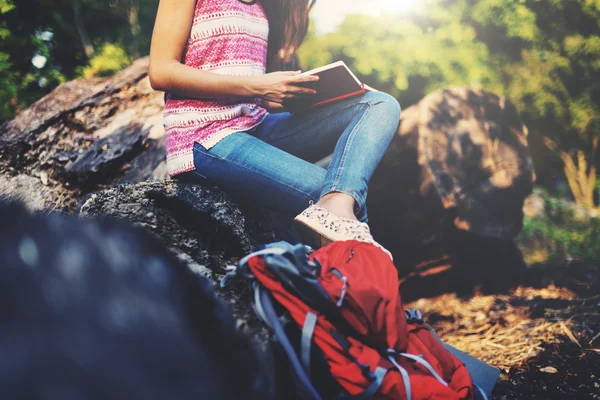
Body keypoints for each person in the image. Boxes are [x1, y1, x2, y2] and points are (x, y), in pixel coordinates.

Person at [148, 0, 401, 258]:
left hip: (258, 123)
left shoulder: (260, 5)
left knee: (379, 104)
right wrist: (258, 87)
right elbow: (160, 71)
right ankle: (366, 279)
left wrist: (297, 93)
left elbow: (254, 90)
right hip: (205, 136)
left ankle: (352, 255)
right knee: (329, 192)